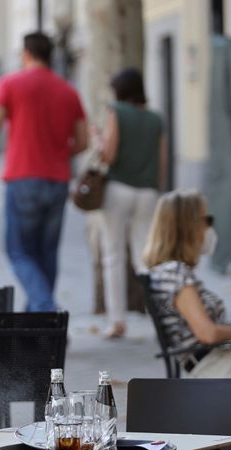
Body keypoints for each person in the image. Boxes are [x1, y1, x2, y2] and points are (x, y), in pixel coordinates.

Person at [0, 32, 88, 311]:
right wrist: (59, 154)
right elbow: (83, 141)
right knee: (47, 253)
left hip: (23, 178)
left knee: (20, 251)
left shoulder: (11, 83)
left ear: (25, 54)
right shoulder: (68, 90)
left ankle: (47, 311)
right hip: (58, 180)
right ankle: (39, 325)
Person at [144, 190, 231, 377]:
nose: (210, 228)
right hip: (221, 367)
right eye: (206, 220)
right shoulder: (175, 273)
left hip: (224, 362)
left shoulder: (166, 273)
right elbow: (208, 334)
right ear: (188, 227)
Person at [95, 68, 167, 338]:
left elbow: (109, 155)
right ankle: (160, 317)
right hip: (148, 192)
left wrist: (99, 139)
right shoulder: (156, 118)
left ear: (120, 91)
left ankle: (117, 321)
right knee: (145, 257)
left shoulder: (116, 111)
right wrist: (155, 188)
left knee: (113, 255)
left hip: (118, 189)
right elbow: (162, 160)